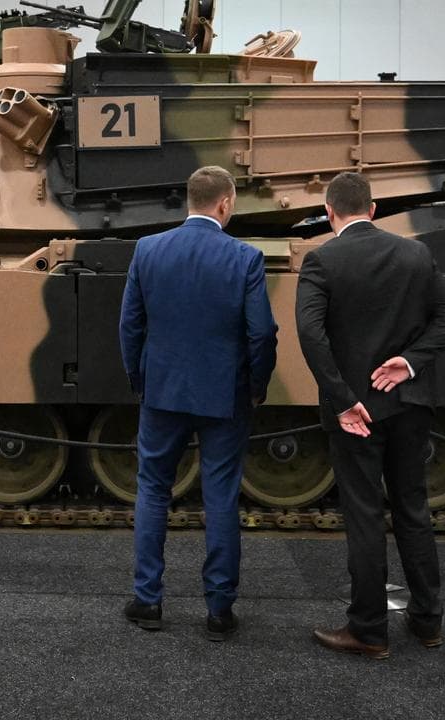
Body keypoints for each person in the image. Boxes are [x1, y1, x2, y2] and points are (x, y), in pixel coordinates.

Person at [295, 172, 445, 659]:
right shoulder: (414, 254)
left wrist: (343, 397)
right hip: (408, 403)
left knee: (365, 515)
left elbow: (311, 334)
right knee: (413, 510)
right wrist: (410, 362)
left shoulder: (322, 260)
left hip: (355, 414)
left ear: (330, 213)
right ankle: (428, 621)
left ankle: (368, 630)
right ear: (372, 209)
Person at [118, 165, 278, 641]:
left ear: (189, 201)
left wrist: (139, 381)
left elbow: (130, 326)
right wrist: (257, 384)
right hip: (224, 394)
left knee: (152, 490)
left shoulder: (148, 250)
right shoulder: (245, 257)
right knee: (221, 495)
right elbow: (261, 333)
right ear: (225, 203)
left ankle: (148, 601)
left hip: (162, 391)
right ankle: (219, 611)